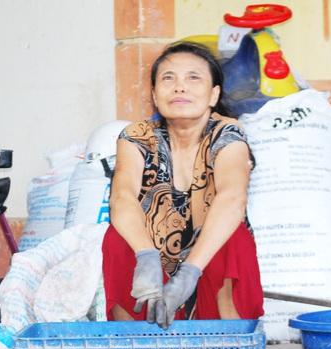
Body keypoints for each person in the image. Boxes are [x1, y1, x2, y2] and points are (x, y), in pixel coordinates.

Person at [102, 41, 264, 328]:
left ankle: (230, 345)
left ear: (213, 94)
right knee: (117, 239)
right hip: (154, 262)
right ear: (154, 94)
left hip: (207, 261)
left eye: (193, 77)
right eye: (168, 78)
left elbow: (232, 198)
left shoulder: (227, 133)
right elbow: (122, 197)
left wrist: (190, 271)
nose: (179, 87)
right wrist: (146, 255)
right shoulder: (137, 135)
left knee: (234, 237)